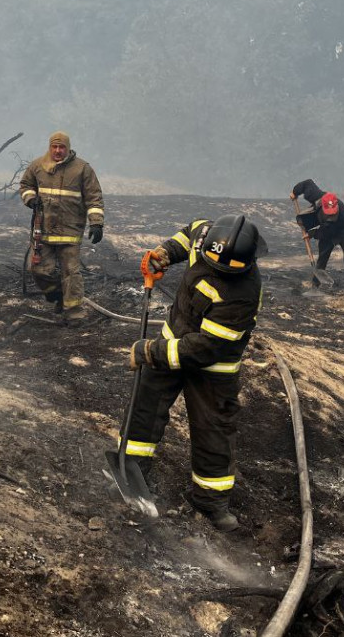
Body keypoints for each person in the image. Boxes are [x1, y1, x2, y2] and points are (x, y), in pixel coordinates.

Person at [118, 215, 265, 531]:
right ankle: (130, 468)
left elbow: (204, 348)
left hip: (213, 368)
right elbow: (187, 236)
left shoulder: (245, 292)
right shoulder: (204, 234)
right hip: (175, 338)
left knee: (214, 428)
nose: (216, 271)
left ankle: (211, 501)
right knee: (145, 405)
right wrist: (165, 252)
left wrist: (149, 352)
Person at [19, 131, 104, 326]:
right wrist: (31, 199)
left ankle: (74, 313)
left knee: (71, 273)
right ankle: (58, 296)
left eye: (62, 147)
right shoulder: (37, 166)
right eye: (54, 147)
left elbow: (94, 197)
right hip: (44, 230)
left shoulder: (83, 169)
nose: (58, 151)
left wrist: (97, 222)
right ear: (50, 147)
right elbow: (25, 185)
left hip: (70, 231)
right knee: (39, 270)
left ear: (68, 148)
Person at [291, 179, 344, 296]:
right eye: (328, 212)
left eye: (333, 212)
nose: (330, 214)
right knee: (323, 256)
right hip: (326, 228)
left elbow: (326, 232)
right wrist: (295, 192)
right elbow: (308, 183)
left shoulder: (343, 214)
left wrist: (312, 234)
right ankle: (315, 287)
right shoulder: (316, 195)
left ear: (337, 206)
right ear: (322, 204)